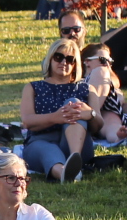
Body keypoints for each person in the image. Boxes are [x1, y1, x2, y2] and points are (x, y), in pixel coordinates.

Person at [21, 38, 96, 182]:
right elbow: (27, 121)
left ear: (75, 64)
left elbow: (99, 125)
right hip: (40, 141)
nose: (64, 62)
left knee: (74, 103)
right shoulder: (33, 87)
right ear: (50, 59)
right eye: (58, 57)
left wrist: (90, 114)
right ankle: (64, 173)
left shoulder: (87, 89)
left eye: (70, 59)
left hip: (77, 144)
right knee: (47, 150)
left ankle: (75, 160)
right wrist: (56, 117)